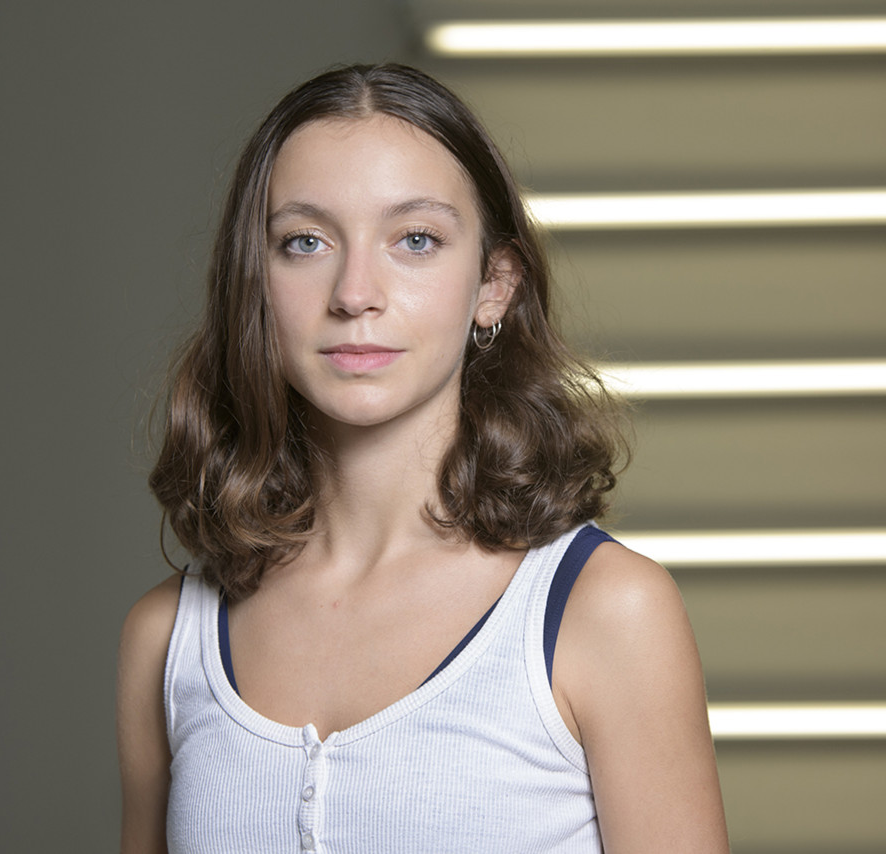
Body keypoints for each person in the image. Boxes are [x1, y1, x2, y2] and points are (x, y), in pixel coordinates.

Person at [117, 63, 729, 853]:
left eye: (415, 240)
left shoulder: (607, 611)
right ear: (253, 283)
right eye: (305, 242)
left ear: (494, 285)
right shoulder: (166, 641)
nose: (355, 293)